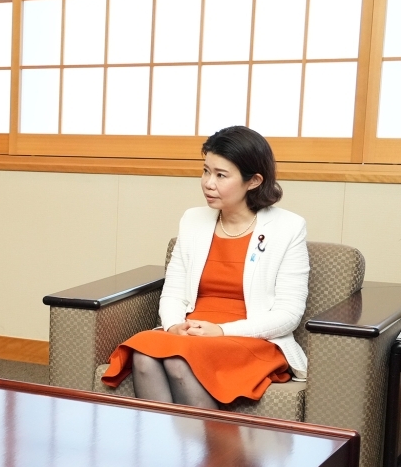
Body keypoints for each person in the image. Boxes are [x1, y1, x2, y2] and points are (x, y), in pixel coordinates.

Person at [101, 126, 309, 409]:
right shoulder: (193, 220)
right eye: (205, 171)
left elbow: (288, 314)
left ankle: (210, 451)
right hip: (192, 331)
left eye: (221, 175)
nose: (208, 183)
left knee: (176, 361)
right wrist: (174, 326)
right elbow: (173, 290)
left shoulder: (288, 227)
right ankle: (170, 450)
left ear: (254, 181)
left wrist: (222, 331)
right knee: (143, 353)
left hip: (248, 336)